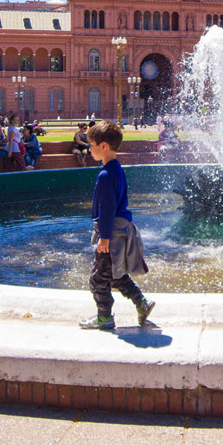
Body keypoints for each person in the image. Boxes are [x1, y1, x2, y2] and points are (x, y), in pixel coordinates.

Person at [79, 120, 154, 331]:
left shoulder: (105, 175)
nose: (89, 149)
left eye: (91, 144)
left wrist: (104, 238)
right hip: (120, 230)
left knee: (98, 279)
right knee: (115, 274)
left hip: (110, 234)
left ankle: (104, 318)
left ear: (103, 146)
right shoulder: (117, 168)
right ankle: (142, 302)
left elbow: (107, 209)